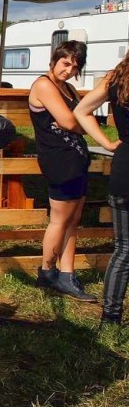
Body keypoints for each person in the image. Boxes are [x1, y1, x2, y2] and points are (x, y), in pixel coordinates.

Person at [28, 41, 95, 301]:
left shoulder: (68, 88)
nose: (69, 70)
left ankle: (67, 275)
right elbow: (70, 121)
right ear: (55, 59)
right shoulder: (43, 85)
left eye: (74, 66)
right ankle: (47, 271)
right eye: (65, 63)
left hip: (76, 156)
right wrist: (81, 123)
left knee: (73, 219)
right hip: (58, 159)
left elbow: (77, 118)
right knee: (59, 219)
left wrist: (78, 122)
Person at [74, 59, 128, 325]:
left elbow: (81, 110)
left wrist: (106, 142)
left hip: (123, 169)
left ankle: (110, 316)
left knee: (123, 249)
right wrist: (106, 141)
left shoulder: (116, 79)